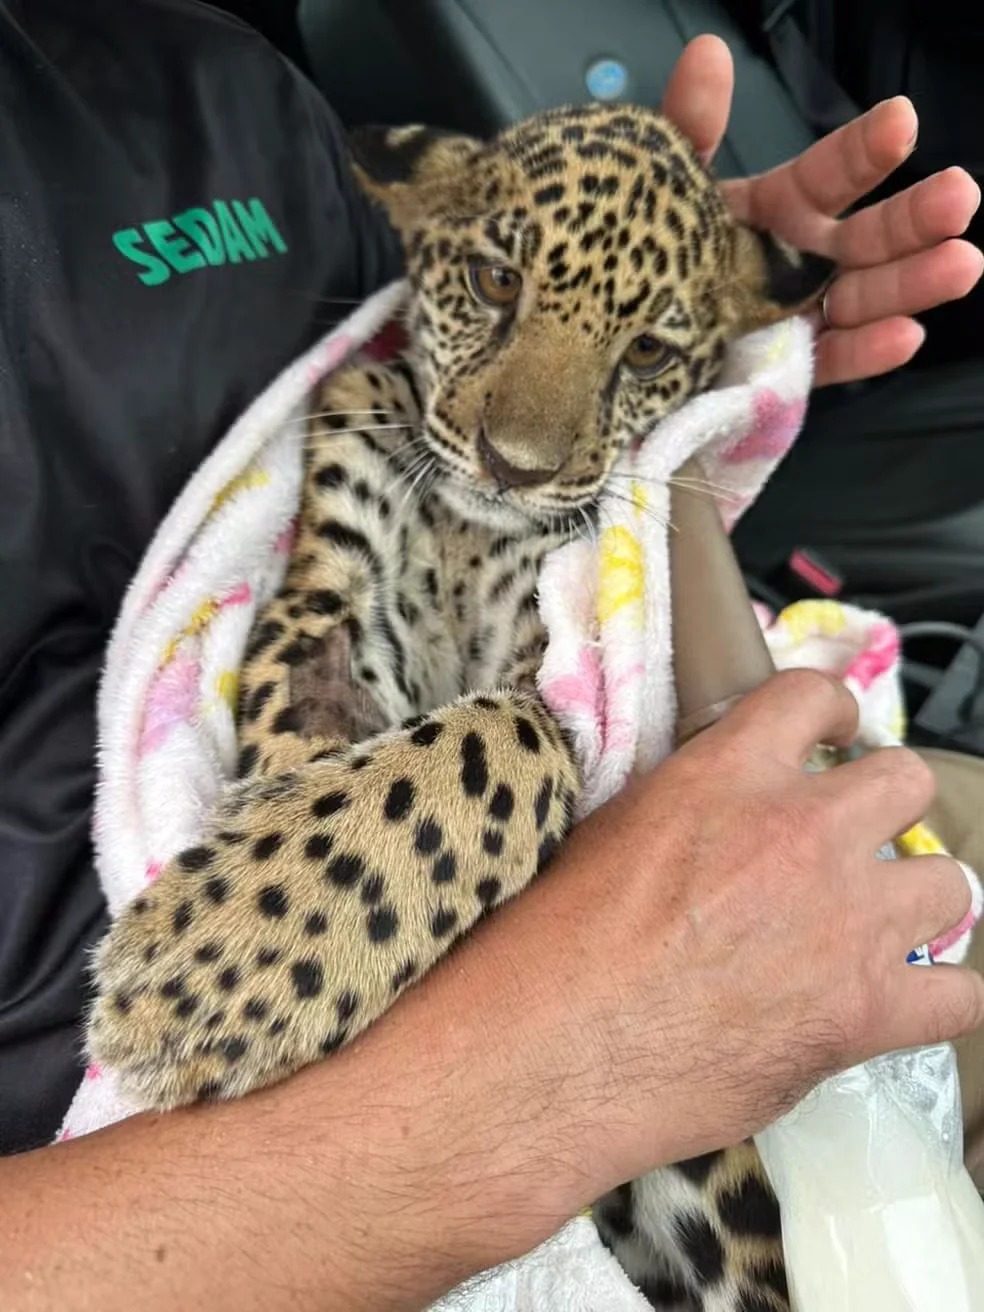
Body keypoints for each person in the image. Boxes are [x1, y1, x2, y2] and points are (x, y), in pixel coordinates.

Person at [0, 4, 981, 1308]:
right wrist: (536, 1069)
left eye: (638, 342)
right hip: (194, 1127)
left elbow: (417, 340)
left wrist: (666, 310)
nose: (523, 437)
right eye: (502, 290)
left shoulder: (216, 78)